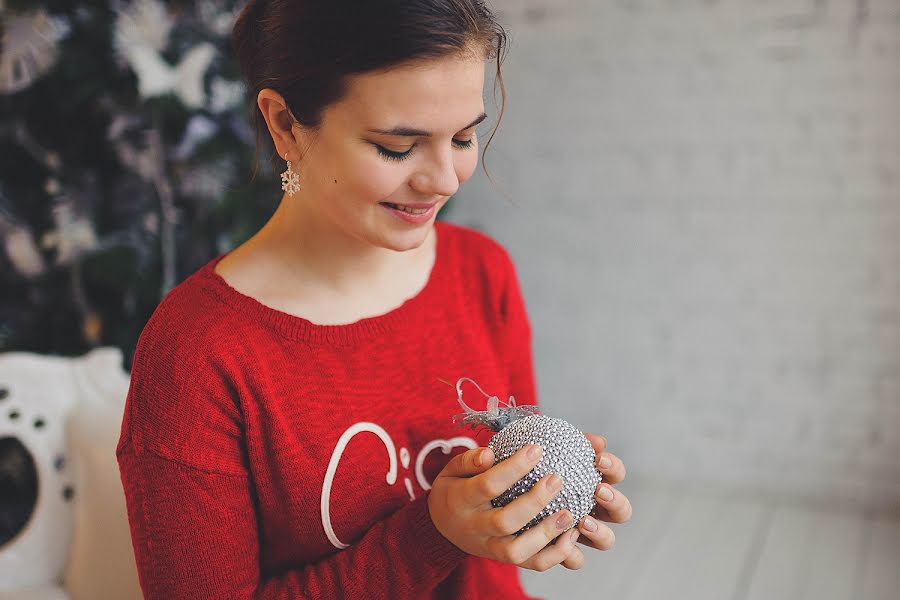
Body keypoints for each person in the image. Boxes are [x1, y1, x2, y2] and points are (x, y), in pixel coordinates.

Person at [115, 0, 633, 598]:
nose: (443, 179)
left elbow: (497, 537)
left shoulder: (480, 272)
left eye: (465, 137)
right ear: (284, 125)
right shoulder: (198, 352)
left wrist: (548, 505)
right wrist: (432, 533)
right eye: (396, 146)